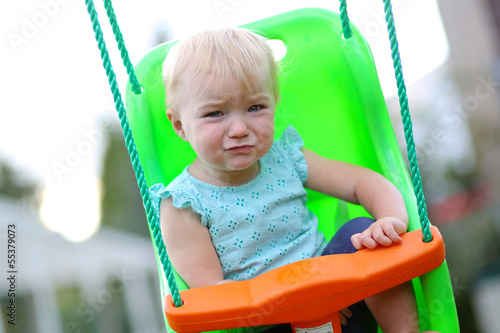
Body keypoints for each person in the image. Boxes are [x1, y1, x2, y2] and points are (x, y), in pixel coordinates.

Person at [150, 27, 437, 333]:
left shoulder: (284, 157)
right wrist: (302, 307)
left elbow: (362, 181)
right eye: (215, 114)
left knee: (363, 233)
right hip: (270, 320)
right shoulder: (183, 204)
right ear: (180, 125)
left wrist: (389, 221)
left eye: (255, 108)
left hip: (342, 300)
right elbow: (216, 297)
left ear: (274, 102)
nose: (238, 128)